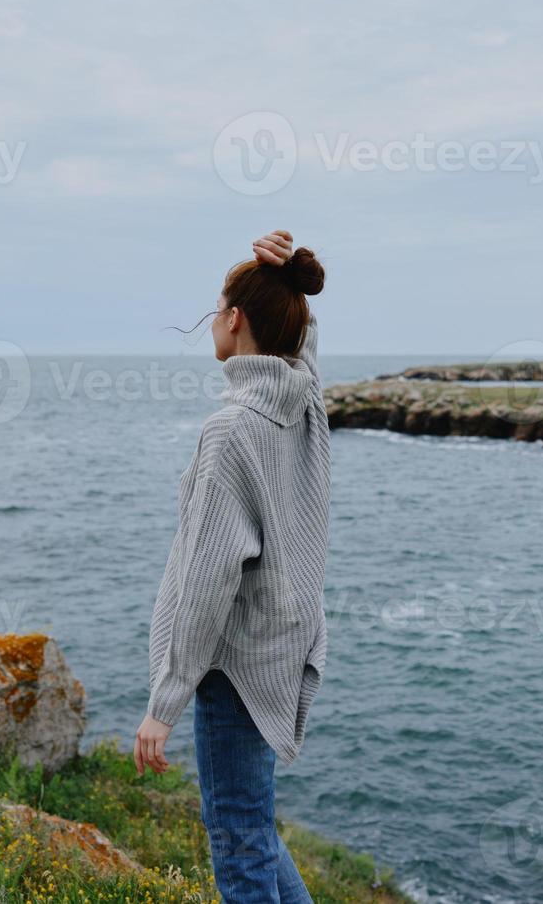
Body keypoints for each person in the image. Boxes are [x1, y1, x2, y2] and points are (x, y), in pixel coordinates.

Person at [135, 230, 329, 904]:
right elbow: (301, 349)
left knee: (240, 842)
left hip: (233, 667)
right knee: (254, 829)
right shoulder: (302, 405)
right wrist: (287, 283)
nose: (212, 316)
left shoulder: (233, 428)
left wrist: (167, 696)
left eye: (219, 304)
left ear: (236, 318)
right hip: (279, 650)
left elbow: (207, 579)